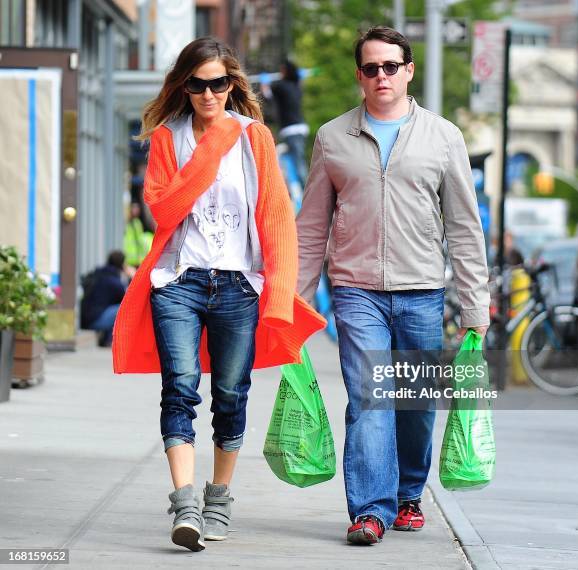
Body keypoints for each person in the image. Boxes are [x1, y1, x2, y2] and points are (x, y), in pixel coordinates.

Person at [111, 37, 325, 552]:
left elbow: (276, 219)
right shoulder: (168, 138)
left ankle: (219, 498)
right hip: (179, 281)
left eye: (219, 83)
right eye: (198, 84)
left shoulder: (255, 137)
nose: (209, 94)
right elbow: (163, 211)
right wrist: (213, 144)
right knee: (180, 387)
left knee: (231, 395)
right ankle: (184, 502)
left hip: (237, 284)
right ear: (184, 86)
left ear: (233, 84)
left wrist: (279, 293)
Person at [296, 26, 490, 545]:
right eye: (370, 68)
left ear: (407, 71)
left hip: (422, 289)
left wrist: (476, 304)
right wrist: (293, 300)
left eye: (390, 66)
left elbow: (466, 227)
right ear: (359, 75)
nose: (381, 75)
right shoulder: (332, 138)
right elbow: (312, 225)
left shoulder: (443, 136)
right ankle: (370, 510)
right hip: (356, 289)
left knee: (415, 403)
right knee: (369, 397)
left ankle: (408, 493)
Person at [261, 59, 309, 187]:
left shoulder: (282, 86)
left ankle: (307, 193)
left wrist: (264, 82)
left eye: (282, 69)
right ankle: (297, 190)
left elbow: (267, 95)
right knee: (293, 160)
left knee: (298, 163)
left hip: (291, 130)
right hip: (299, 129)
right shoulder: (296, 86)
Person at [80, 250, 128, 347]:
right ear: (122, 264)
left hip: (87, 318)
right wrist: (130, 277)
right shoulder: (113, 280)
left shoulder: (100, 274)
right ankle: (109, 341)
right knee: (123, 309)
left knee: (112, 309)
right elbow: (126, 300)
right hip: (94, 321)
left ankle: (107, 339)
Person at [123, 201, 153, 268]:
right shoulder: (128, 224)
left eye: (137, 207)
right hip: (129, 260)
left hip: (137, 260)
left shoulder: (137, 223)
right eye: (133, 207)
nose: (135, 210)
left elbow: (139, 240)